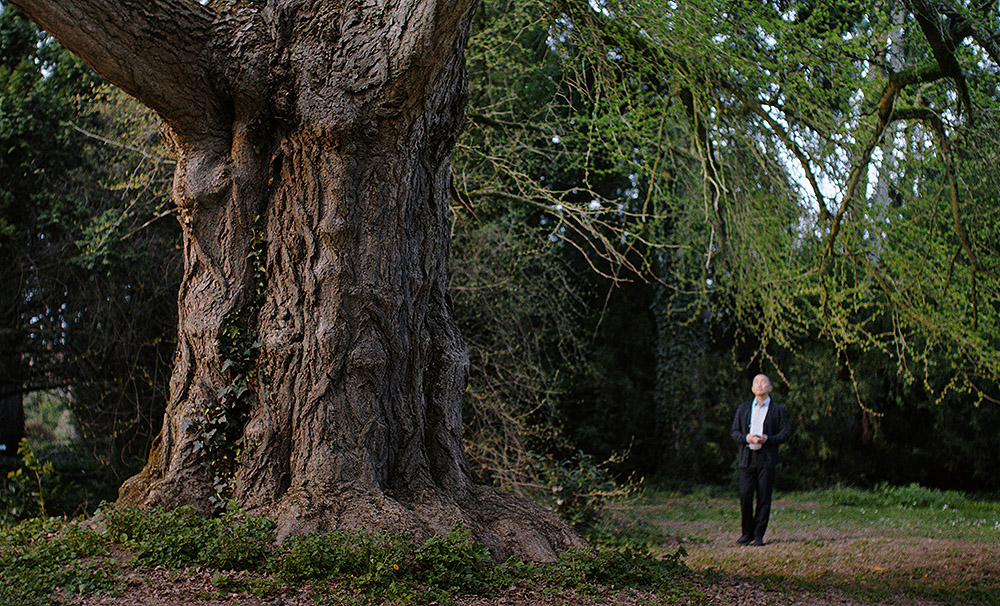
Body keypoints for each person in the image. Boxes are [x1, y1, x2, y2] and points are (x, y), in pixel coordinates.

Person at [730, 374, 790, 546]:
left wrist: (767, 439)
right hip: (747, 457)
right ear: (752, 388)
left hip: (767, 459)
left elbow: (784, 434)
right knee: (745, 494)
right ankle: (746, 534)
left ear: (770, 388)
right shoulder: (743, 408)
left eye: (764, 382)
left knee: (764, 497)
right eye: (756, 382)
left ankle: (758, 535)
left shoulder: (777, 410)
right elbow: (734, 432)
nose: (760, 385)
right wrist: (748, 438)